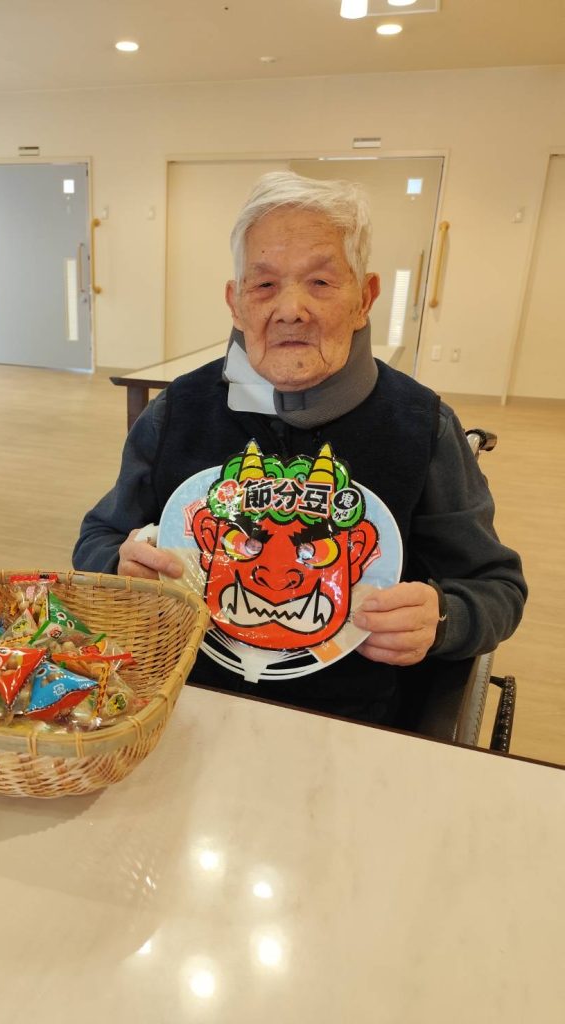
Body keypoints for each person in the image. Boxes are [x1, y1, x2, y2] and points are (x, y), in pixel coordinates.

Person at [73, 172, 526, 725]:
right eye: (264, 285)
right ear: (235, 303)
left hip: (353, 721)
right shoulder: (177, 411)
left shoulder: (421, 425)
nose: (290, 309)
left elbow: (498, 588)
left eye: (320, 282)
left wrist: (445, 618)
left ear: (365, 298)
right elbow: (96, 539)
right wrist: (118, 566)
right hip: (181, 705)